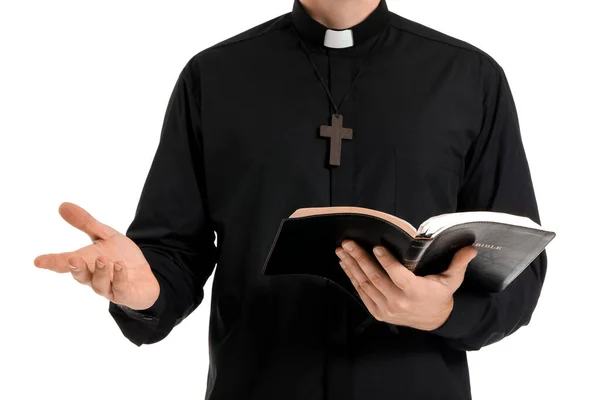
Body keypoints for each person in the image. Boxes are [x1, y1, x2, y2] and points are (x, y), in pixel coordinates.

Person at [33, 0, 548, 399]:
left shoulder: (470, 79)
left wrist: (443, 311)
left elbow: (518, 268)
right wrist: (142, 290)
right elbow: (172, 256)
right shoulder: (213, 77)